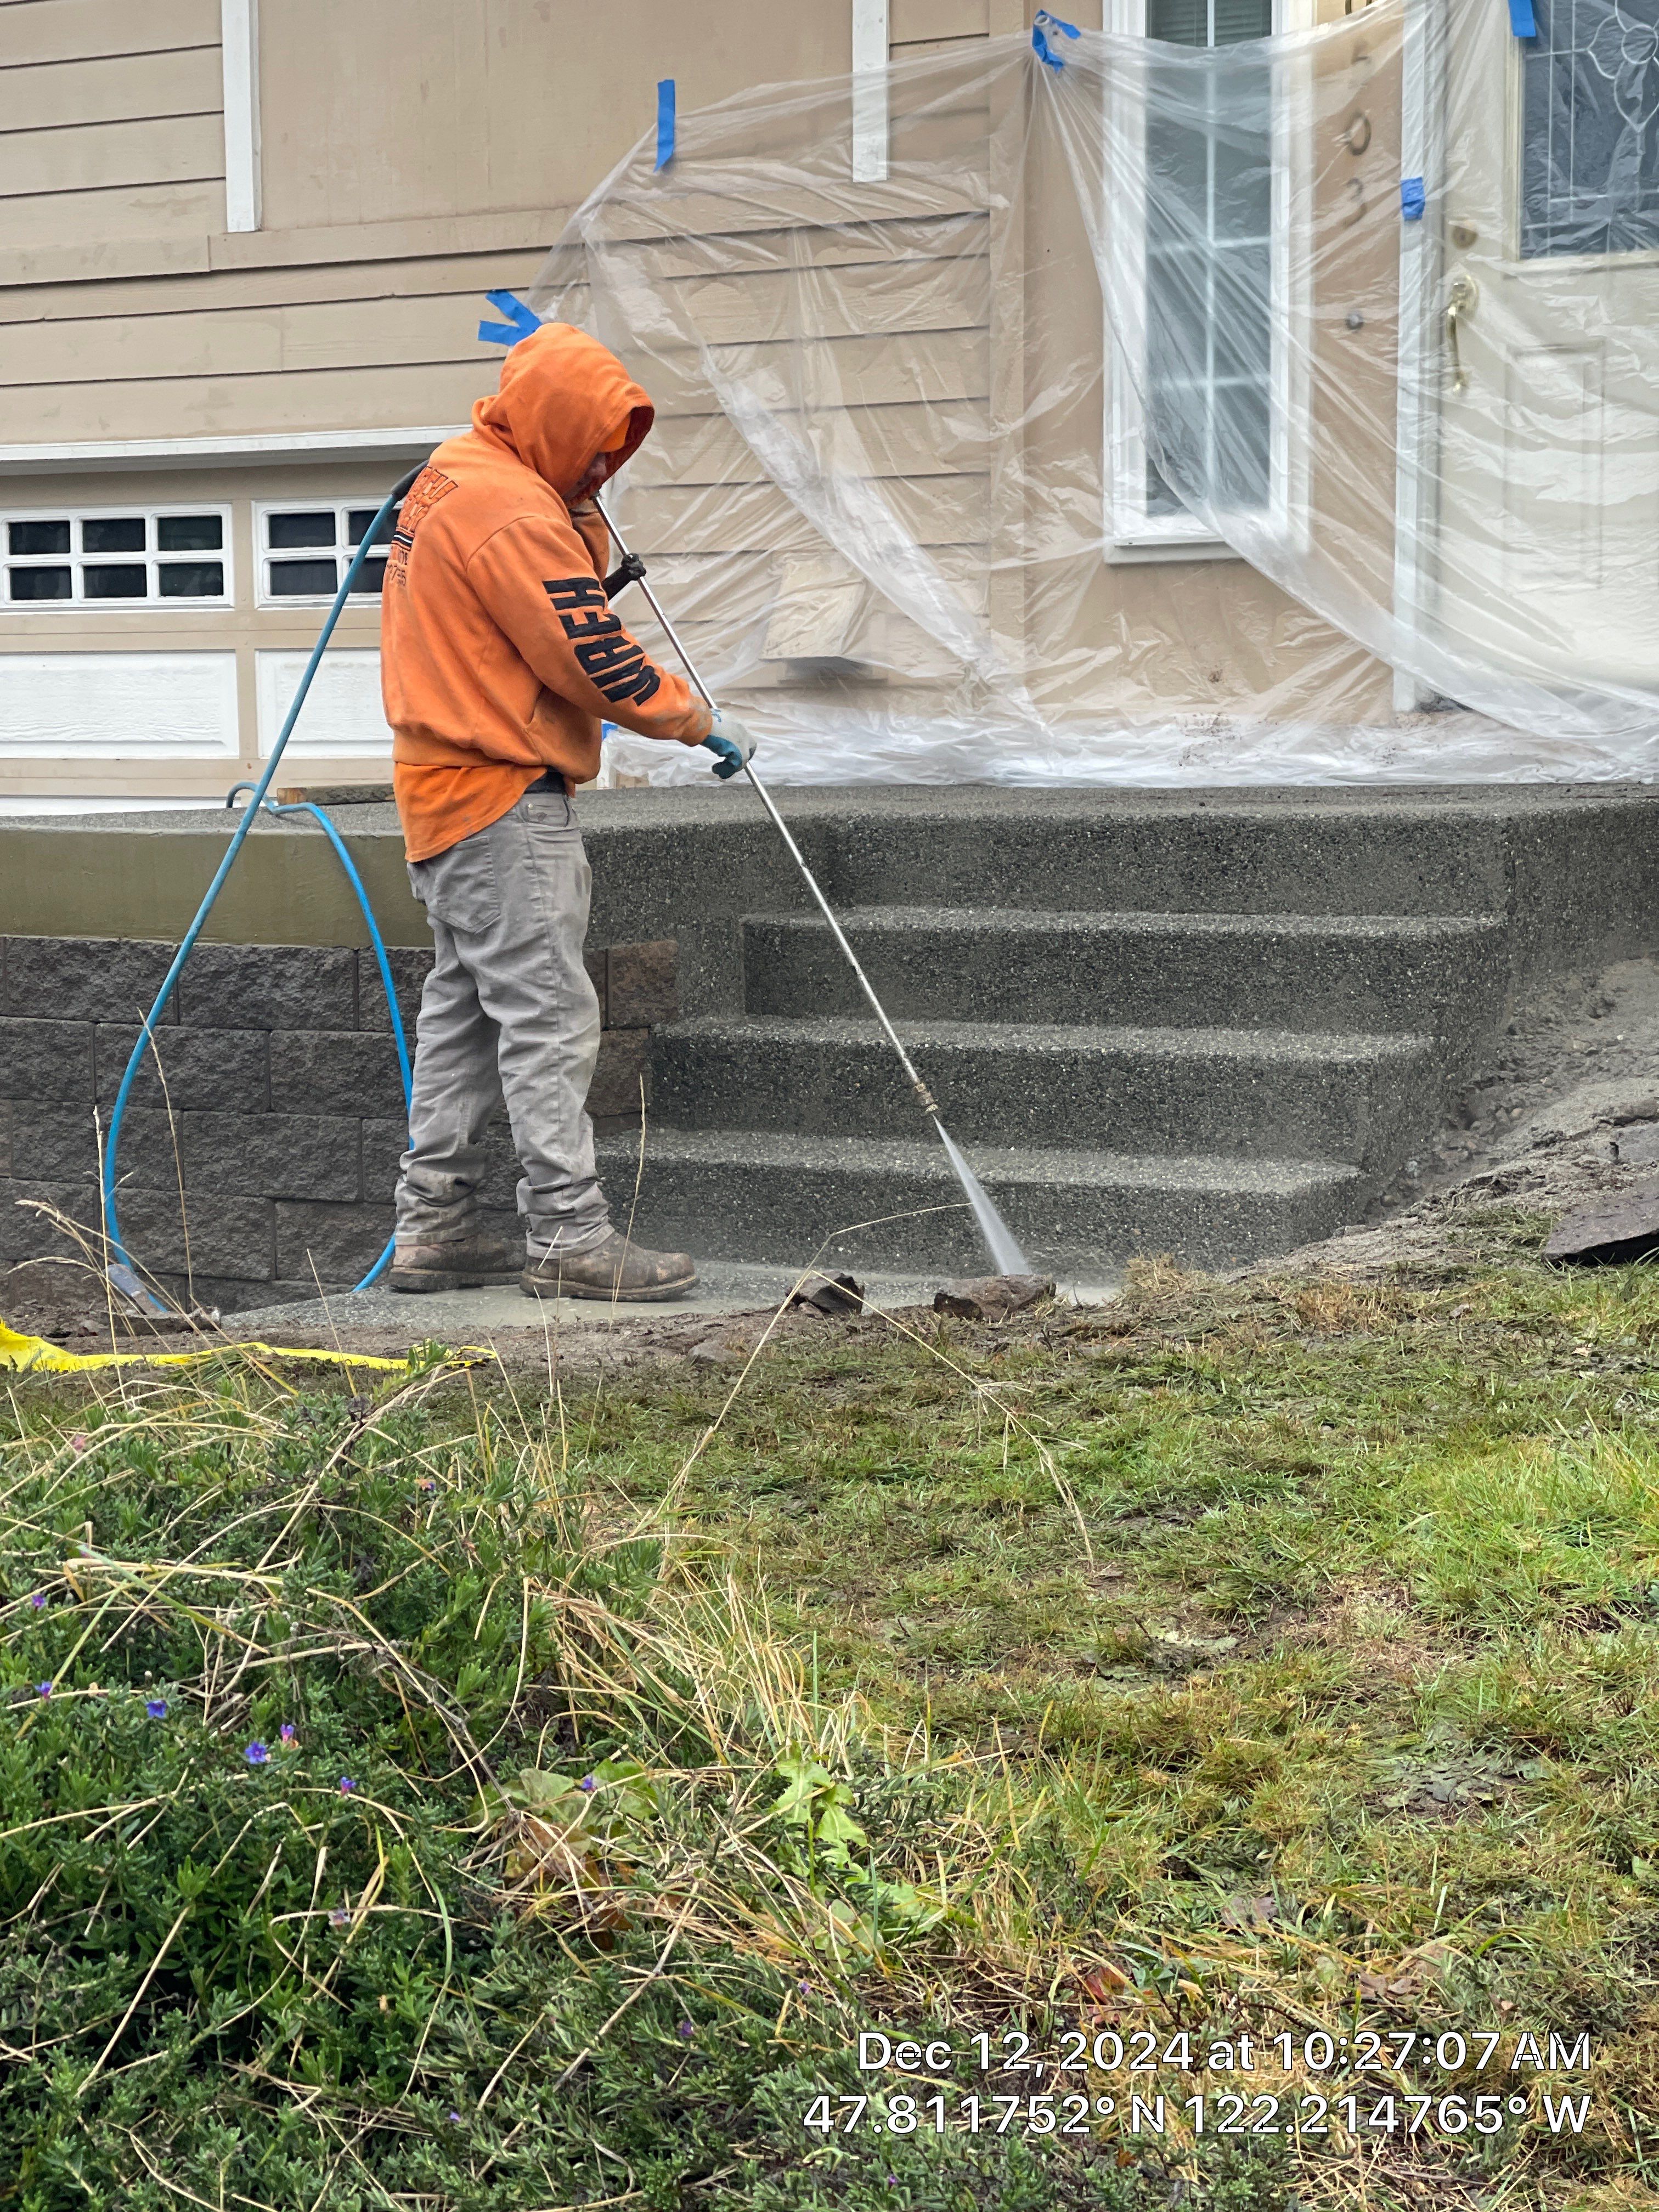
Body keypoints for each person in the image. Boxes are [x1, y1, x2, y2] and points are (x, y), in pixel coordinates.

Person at [379, 321, 754, 1301]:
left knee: (465, 1016)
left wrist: (579, 509)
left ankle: (437, 1228)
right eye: (596, 443)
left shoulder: (461, 474)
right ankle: (568, 1235)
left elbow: (549, 601)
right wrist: (693, 719)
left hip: (444, 797)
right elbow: (590, 653)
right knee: (548, 1017)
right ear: (551, 419)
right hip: (503, 798)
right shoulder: (511, 510)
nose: (602, 462)